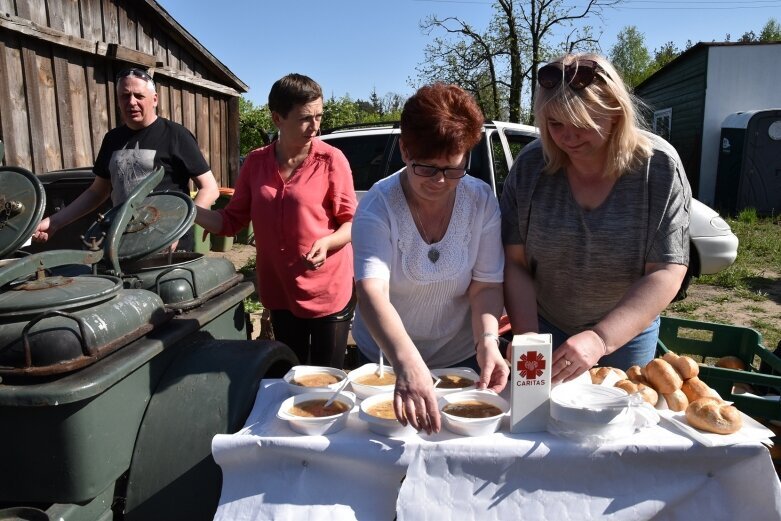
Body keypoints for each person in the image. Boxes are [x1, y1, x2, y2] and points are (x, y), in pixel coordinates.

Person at [501, 53, 691, 383]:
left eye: (582, 123)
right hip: (542, 323)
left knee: (615, 429)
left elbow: (666, 271)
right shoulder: (531, 166)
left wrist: (601, 338)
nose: (567, 137)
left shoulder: (658, 168)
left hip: (626, 332)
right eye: (555, 124)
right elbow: (514, 261)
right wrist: (529, 340)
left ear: (615, 112)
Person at [352, 83, 508, 434]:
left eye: (453, 169)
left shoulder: (480, 201)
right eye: (427, 168)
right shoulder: (378, 207)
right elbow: (371, 292)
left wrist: (487, 341)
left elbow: (485, 285)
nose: (439, 181)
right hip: (387, 358)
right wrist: (406, 361)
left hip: (460, 355)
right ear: (405, 150)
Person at [195, 73, 357, 368]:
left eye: (319, 116)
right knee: (292, 380)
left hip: (327, 291)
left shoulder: (332, 160)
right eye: (305, 118)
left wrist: (328, 241)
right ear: (277, 119)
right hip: (280, 291)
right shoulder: (256, 163)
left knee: (327, 383)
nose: (316, 127)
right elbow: (231, 222)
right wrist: (190, 212)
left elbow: (351, 223)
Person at [32, 67, 218, 251]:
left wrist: (177, 229)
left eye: (139, 96)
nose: (131, 102)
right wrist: (55, 222)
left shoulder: (176, 135)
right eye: (125, 96)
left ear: (154, 100)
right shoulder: (112, 139)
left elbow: (209, 188)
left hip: (170, 248)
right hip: (122, 243)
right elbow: (97, 192)